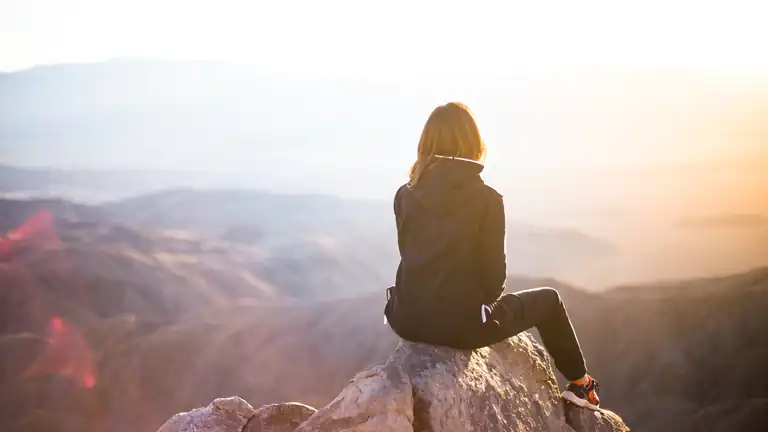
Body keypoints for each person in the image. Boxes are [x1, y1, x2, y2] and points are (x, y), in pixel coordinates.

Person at [383, 102, 601, 410]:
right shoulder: (487, 200)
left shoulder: (405, 194)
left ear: (426, 143)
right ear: (474, 143)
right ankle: (581, 385)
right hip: (462, 328)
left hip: (405, 318)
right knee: (549, 301)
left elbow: (411, 255)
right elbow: (494, 281)